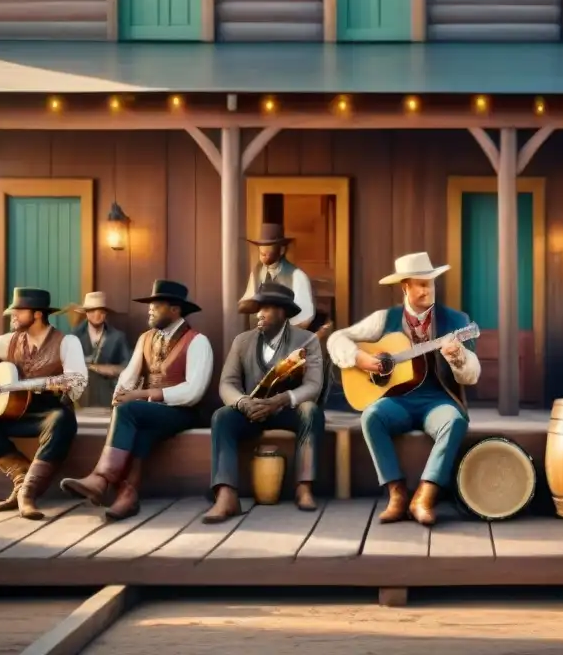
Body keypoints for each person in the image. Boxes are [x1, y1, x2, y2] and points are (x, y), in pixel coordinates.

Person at [326, 252, 479, 526]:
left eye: (430, 283)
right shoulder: (385, 319)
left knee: (455, 421)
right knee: (371, 416)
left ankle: (425, 496)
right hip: (398, 399)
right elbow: (337, 338)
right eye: (420, 284)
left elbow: (472, 375)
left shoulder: (457, 322)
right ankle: (396, 494)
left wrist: (457, 357)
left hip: (437, 400)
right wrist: (362, 359)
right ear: (404, 287)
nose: (427, 289)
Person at [60, 280, 213, 521]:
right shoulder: (145, 338)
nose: (149, 310)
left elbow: (194, 391)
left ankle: (101, 479)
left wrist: (140, 396)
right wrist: (119, 395)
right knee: (137, 426)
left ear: (175, 310)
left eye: (157, 305)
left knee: (130, 411)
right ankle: (127, 495)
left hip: (182, 411)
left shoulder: (197, 341)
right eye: (150, 305)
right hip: (148, 411)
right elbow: (128, 375)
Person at [0, 287, 88, 519]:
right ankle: (20, 477)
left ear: (38, 314)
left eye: (18, 311)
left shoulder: (67, 342)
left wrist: (37, 384)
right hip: (17, 413)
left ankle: (28, 493)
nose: (12, 315)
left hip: (50, 411)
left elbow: (77, 380)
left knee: (63, 420)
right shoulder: (9, 341)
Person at [202, 282, 328, 523]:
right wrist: (242, 403)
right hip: (252, 411)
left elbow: (313, 386)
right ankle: (226, 494)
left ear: (283, 313)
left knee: (311, 410)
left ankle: (304, 487)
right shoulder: (242, 341)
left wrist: (281, 400)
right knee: (221, 416)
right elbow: (226, 383)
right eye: (258, 307)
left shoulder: (308, 340)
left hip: (288, 410)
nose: (259, 313)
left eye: (267, 308)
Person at [242, 223, 316, 329]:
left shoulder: (297, 277)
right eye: (261, 253)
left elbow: (305, 317)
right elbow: (248, 300)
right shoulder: (256, 273)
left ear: (281, 251)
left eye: (267, 253)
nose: (263, 257)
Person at [68, 292, 132, 408]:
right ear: (86, 313)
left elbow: (128, 367)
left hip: (108, 393)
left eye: (101, 311)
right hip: (81, 395)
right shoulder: (74, 336)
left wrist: (109, 370)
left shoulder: (118, 337)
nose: (96, 315)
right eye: (92, 311)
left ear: (106, 313)